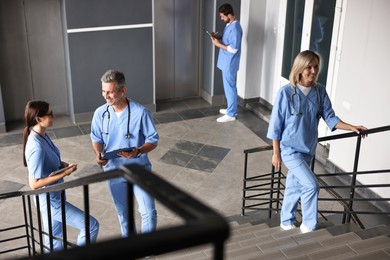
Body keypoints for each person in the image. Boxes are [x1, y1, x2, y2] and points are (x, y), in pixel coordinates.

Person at [266, 50, 367, 233]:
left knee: (294, 185)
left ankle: (286, 220)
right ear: (300, 68)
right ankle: (309, 225)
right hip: (289, 150)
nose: (313, 71)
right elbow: (276, 125)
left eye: (316, 67)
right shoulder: (286, 92)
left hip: (308, 150)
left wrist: (352, 127)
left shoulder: (319, 91)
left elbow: (330, 117)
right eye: (309, 67)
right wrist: (276, 153)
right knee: (312, 185)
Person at [23, 100, 99, 251]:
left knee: (53, 238)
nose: (53, 116)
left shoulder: (43, 136)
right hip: (50, 201)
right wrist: (65, 173)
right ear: (39, 119)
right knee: (91, 226)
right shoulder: (36, 146)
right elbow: (34, 184)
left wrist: (62, 164)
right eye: (50, 114)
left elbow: (50, 158)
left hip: (55, 196)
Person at [90, 69, 159, 237]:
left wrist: (138, 151)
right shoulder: (100, 113)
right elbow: (96, 138)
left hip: (139, 169)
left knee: (148, 212)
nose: (106, 96)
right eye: (104, 91)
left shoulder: (141, 113)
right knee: (124, 214)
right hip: (114, 171)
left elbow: (153, 139)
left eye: (111, 92)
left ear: (123, 90)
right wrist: (98, 153)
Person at [210, 3, 243, 123]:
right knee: (228, 87)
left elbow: (234, 49)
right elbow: (227, 39)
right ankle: (230, 108)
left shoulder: (236, 29)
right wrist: (218, 37)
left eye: (222, 16)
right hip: (226, 62)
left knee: (230, 88)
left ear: (229, 15)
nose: (221, 19)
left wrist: (218, 44)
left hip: (230, 63)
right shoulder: (230, 25)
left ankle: (231, 113)